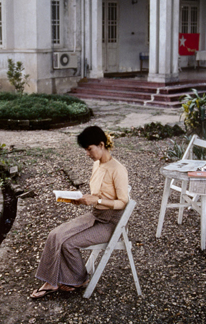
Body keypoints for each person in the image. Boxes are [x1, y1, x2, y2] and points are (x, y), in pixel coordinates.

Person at [30, 125, 129, 299]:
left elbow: (123, 202)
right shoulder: (97, 165)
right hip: (96, 216)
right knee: (55, 234)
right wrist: (80, 199)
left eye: (89, 149)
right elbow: (99, 194)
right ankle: (55, 280)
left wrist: (96, 200)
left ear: (101, 144)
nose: (87, 154)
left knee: (68, 243)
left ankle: (75, 280)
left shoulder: (118, 169)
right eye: (86, 150)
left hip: (110, 223)